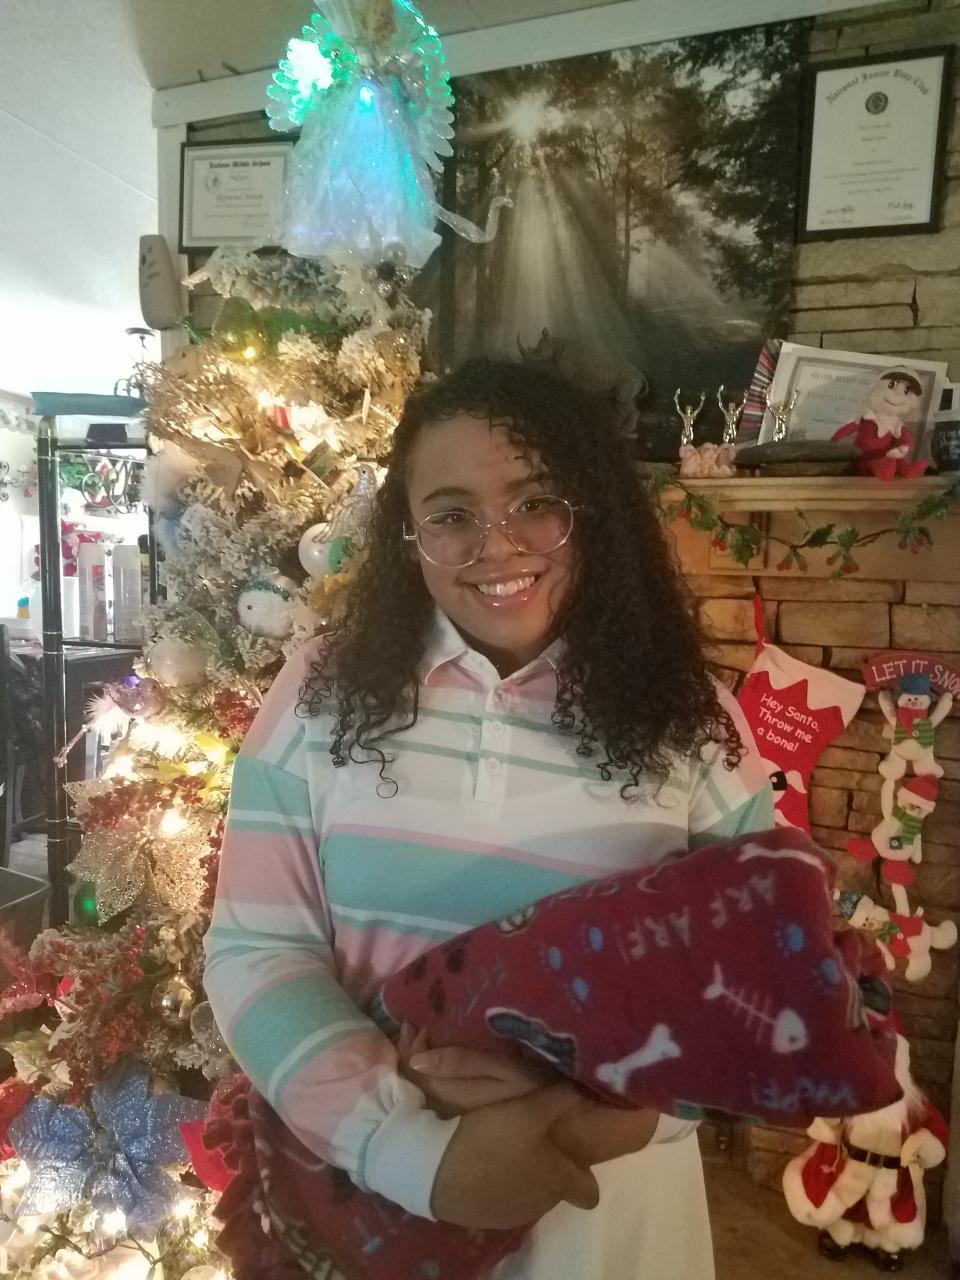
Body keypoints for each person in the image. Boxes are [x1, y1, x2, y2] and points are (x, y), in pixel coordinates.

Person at [204, 356, 775, 1280]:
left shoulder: (694, 721)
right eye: (452, 514)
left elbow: (761, 980)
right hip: (372, 1199)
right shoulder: (318, 693)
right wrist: (416, 1156)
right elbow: (256, 949)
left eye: (536, 502)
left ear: (594, 512)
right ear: (408, 535)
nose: (497, 546)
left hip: (605, 1220)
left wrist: (603, 1117)